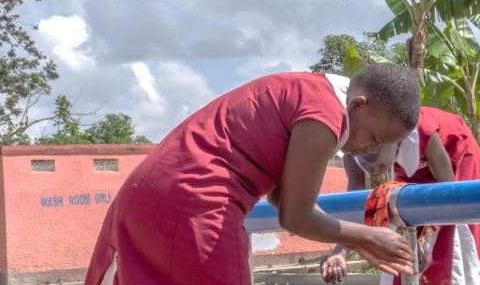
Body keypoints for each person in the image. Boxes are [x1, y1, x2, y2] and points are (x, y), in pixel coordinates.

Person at [84, 64, 421, 284]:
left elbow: (280, 197)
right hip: (195, 203)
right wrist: (367, 236)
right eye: (374, 137)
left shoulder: (304, 89)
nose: (370, 149)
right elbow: (295, 215)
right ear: (357, 104)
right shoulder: (324, 116)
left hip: (150, 192)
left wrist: (351, 239)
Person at [328, 106, 480, 284]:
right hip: (413, 167)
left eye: (379, 166)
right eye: (365, 162)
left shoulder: (424, 133)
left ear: (393, 142)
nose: (373, 171)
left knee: (454, 234)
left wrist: (425, 241)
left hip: (455, 160)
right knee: (401, 223)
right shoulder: (353, 151)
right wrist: (340, 251)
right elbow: (357, 207)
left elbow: (450, 198)